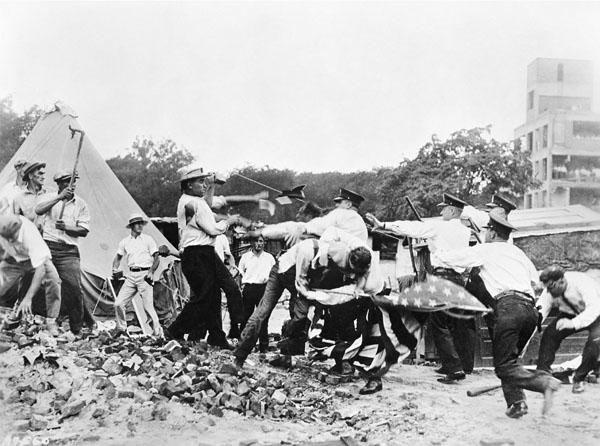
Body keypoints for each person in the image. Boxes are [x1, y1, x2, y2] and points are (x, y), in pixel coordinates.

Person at [436, 214, 561, 418]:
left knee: (503, 367)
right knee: (509, 360)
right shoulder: (519, 253)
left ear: (492, 233)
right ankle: (517, 403)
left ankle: (544, 382)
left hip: (508, 308)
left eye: (486, 231)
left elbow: (452, 258)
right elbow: (539, 282)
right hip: (530, 311)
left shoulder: (486, 250)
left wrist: (437, 250)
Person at [366, 193, 474, 383]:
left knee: (439, 324)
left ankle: (455, 368)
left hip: (441, 277)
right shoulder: (465, 231)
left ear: (451, 210)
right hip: (458, 279)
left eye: (443, 209)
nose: (441, 212)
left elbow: (412, 228)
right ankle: (459, 365)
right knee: (455, 323)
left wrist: (384, 225)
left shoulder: (440, 226)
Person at [166, 166, 240, 347]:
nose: (204, 184)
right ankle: (176, 329)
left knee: (215, 294)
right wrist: (229, 222)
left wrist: (213, 185)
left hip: (203, 252)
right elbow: (212, 230)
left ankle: (217, 336)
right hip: (197, 253)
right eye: (200, 181)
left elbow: (205, 204)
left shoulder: (192, 201)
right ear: (189, 185)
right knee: (207, 296)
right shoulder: (191, 204)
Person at [35, 170, 91, 335]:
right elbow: (38, 210)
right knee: (42, 284)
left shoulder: (80, 204)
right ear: (59, 184)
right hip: (48, 247)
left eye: (73, 182)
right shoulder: (49, 198)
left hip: (69, 251)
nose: (70, 186)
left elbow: (84, 230)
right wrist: (59, 198)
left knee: (74, 288)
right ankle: (42, 321)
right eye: (66, 182)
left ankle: (76, 329)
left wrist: (66, 227)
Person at [536, 266, 600, 394]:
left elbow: (594, 309)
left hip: (596, 314)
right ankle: (542, 374)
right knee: (550, 334)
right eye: (547, 287)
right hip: (569, 313)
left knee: (596, 342)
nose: (549, 291)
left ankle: (578, 378)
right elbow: (541, 312)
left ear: (562, 280)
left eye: (552, 286)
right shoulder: (550, 289)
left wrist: (573, 323)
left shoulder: (582, 282)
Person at [0, 215, 60, 334]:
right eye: (7, 238)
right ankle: (14, 313)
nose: (11, 241)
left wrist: (28, 298)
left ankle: (51, 320)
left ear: (19, 230)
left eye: (13, 237)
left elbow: (41, 268)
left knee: (53, 280)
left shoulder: (29, 233)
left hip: (37, 261)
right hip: (13, 259)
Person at [112, 213, 163, 337]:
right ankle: (122, 329)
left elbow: (156, 257)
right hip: (131, 275)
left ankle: (158, 333)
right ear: (131, 226)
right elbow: (118, 257)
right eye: (136, 224)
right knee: (118, 303)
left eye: (141, 223)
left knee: (148, 307)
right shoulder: (125, 242)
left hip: (145, 274)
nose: (140, 226)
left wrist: (151, 272)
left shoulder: (148, 239)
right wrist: (114, 269)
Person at [237, 234, 276, 352]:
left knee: (263, 318)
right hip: (249, 289)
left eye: (261, 241)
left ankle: (264, 347)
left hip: (264, 289)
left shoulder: (269, 258)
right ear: (252, 243)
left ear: (264, 243)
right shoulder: (245, 257)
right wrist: (239, 288)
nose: (259, 244)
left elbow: (275, 276)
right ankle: (242, 345)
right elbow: (239, 274)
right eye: (256, 241)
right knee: (246, 318)